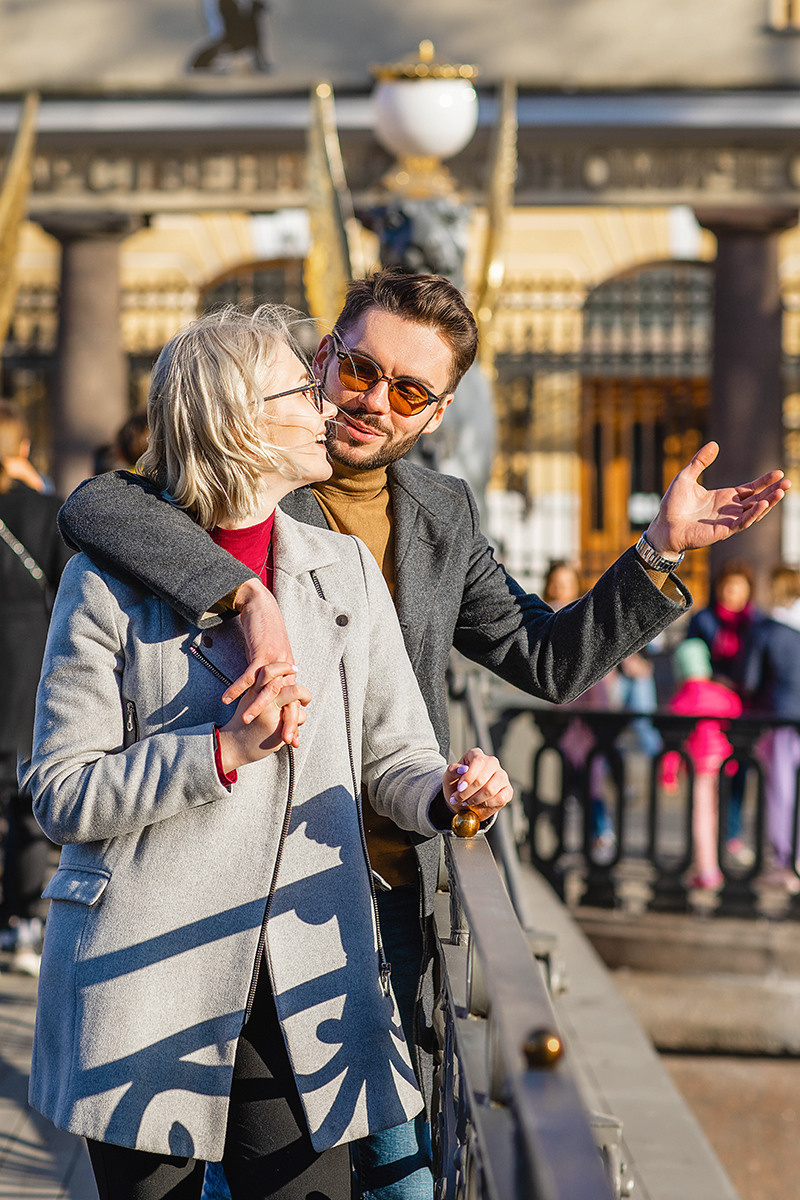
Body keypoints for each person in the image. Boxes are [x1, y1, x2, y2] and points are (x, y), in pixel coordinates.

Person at [56, 268, 790, 1200]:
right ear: (325, 357)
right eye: (360, 368)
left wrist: (658, 551)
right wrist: (241, 593)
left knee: (401, 1169)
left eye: (408, 390)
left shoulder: (438, 512)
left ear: (438, 410)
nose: (372, 401)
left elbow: (545, 657)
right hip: (227, 894)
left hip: (389, 888)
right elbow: (95, 507)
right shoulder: (255, 465)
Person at [22, 305, 512, 1200]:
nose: (330, 408)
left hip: (307, 980)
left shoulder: (343, 570)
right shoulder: (104, 585)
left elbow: (394, 755)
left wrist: (446, 791)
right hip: (145, 972)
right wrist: (218, 750)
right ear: (239, 420)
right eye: (302, 389)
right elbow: (59, 792)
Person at [0, 401, 71, 975]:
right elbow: (66, 580)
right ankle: (23, 921)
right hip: (28, 659)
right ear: (23, 449)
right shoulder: (47, 510)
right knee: (25, 799)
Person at [687, 559, 760, 865]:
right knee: (707, 779)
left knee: (739, 773)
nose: (731, 593)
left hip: (744, 709)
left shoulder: (755, 623)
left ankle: (732, 834)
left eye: (737, 588)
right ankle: (704, 845)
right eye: (726, 587)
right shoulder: (704, 620)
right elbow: (692, 659)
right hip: (712, 710)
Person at [661, 638, 742, 889]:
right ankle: (710, 863)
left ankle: (706, 869)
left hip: (698, 763)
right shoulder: (722, 695)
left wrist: (668, 774)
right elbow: (735, 711)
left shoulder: (682, 699)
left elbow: (672, 742)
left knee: (701, 815)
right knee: (716, 814)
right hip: (723, 760)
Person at [742, 564, 800, 893]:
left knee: (782, 790)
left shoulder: (768, 630)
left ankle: (784, 861)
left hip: (782, 716)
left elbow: (750, 679)